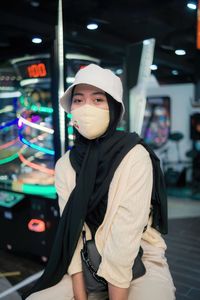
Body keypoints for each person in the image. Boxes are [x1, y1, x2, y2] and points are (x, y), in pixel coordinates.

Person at [24, 64, 176, 300]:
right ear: (71, 108)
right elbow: (71, 237)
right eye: (79, 100)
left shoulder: (134, 155)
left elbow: (124, 239)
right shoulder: (65, 165)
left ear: (113, 109)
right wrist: (81, 296)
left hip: (140, 257)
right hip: (88, 259)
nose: (86, 108)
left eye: (98, 100)